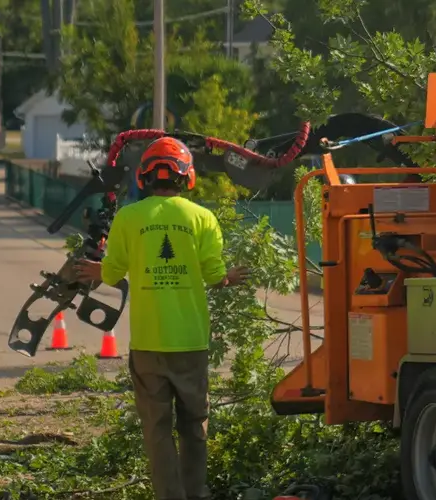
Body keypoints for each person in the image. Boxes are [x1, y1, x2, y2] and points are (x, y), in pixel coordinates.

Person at [74, 136, 251, 500]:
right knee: (194, 427)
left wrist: (97, 269)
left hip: (148, 343)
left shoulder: (129, 217)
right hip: (190, 341)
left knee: (156, 429)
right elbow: (214, 274)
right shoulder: (202, 218)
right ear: (187, 178)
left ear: (144, 177)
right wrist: (228, 277)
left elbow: (111, 272)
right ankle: (195, 493)